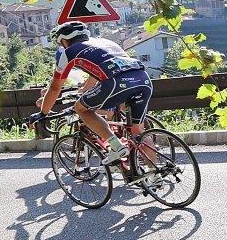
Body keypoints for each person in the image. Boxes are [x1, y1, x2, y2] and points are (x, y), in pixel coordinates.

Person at [36, 21, 154, 165]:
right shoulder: (104, 43)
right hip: (143, 79)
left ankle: (116, 147)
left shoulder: (69, 52)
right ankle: (155, 175)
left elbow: (55, 88)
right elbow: (102, 70)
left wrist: (43, 113)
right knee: (138, 132)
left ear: (65, 40)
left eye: (61, 43)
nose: (61, 46)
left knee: (80, 108)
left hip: (116, 82)